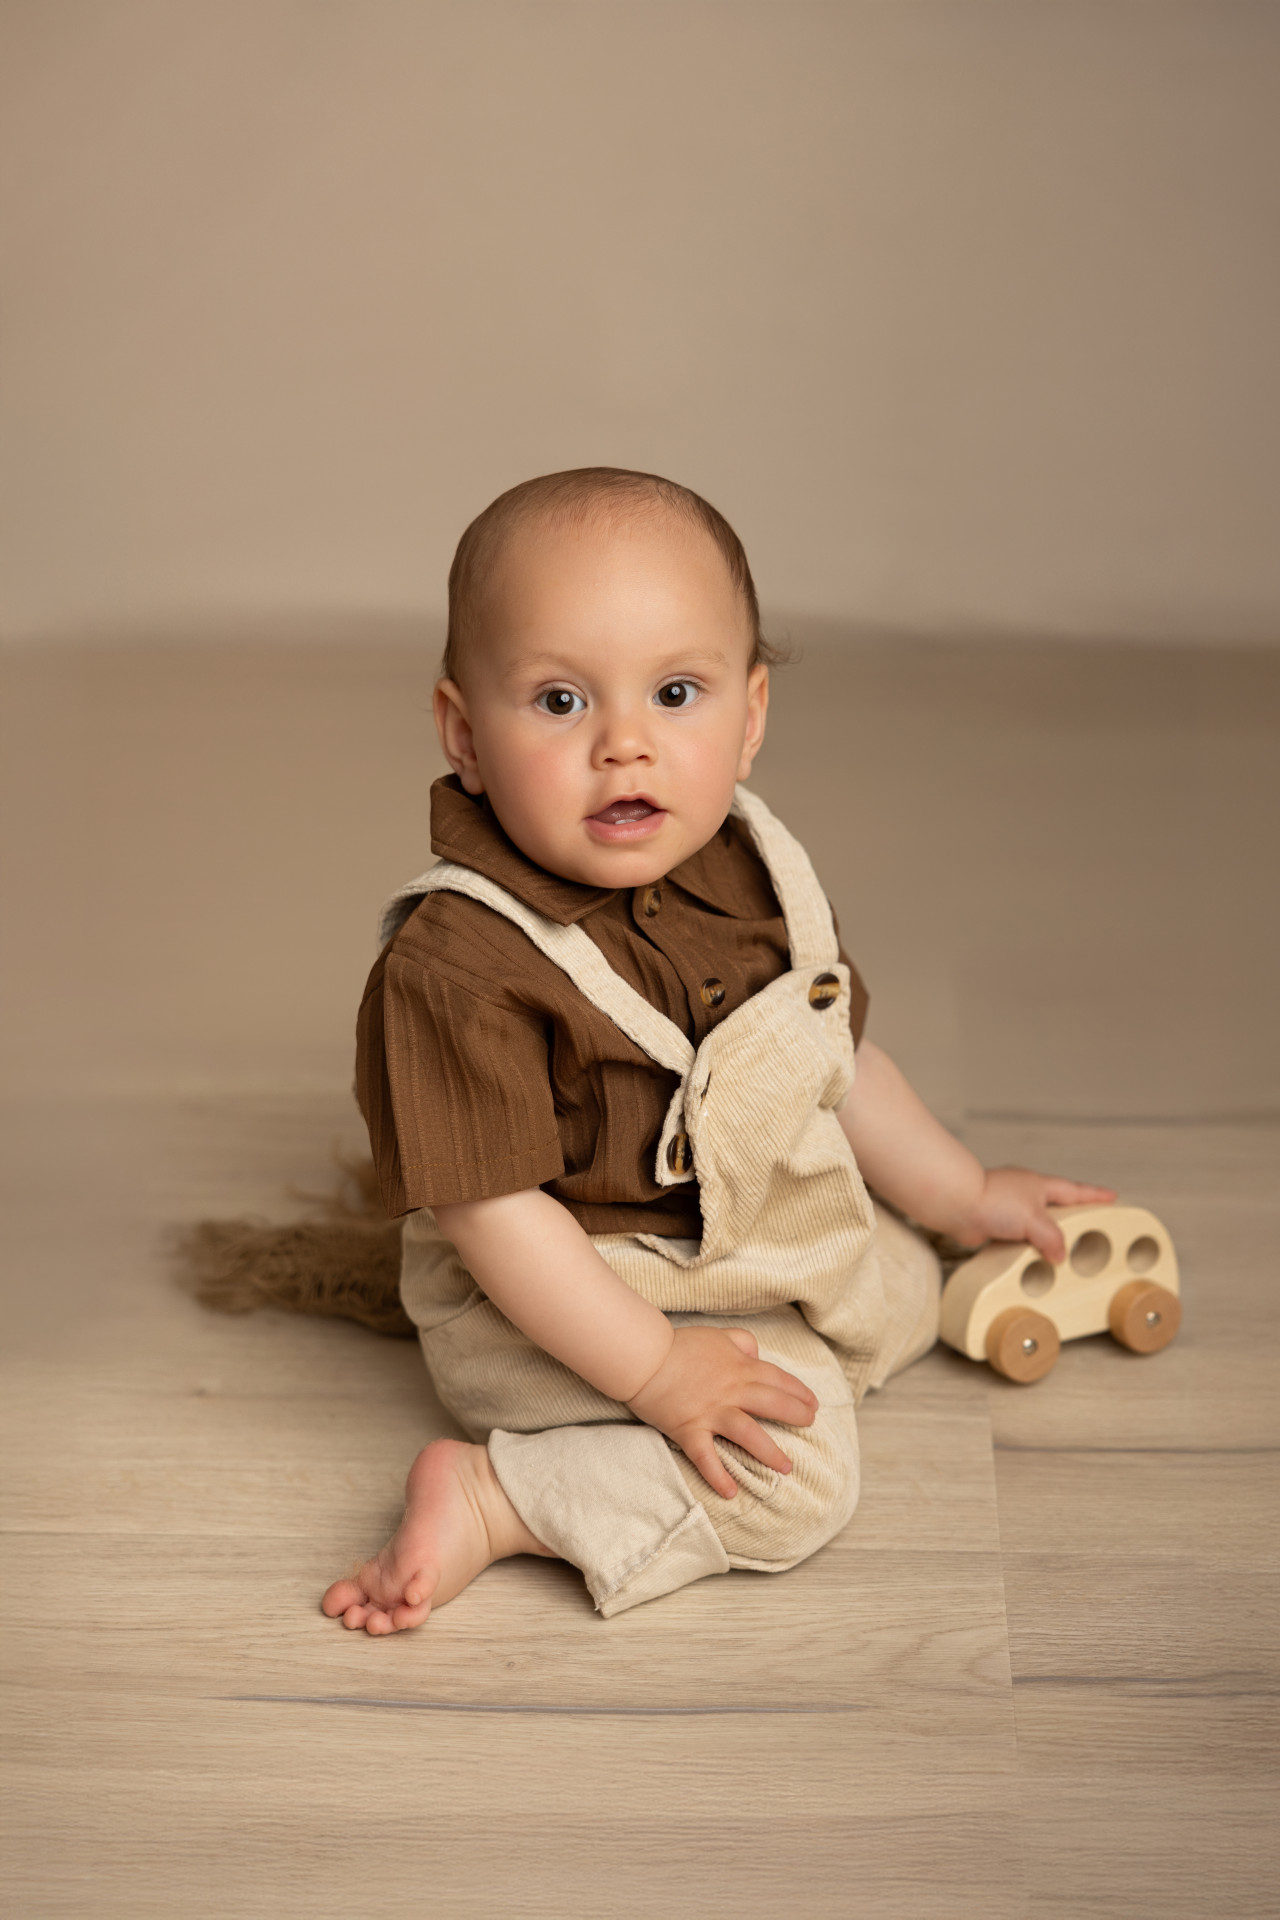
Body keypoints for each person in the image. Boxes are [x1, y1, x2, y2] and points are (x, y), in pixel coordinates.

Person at [321, 468, 1113, 1634]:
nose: (624, 745)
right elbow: (493, 1217)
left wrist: (961, 1191)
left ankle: (796, 1342)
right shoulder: (455, 965)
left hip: (739, 1239)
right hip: (571, 1290)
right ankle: (498, 1495)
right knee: (795, 1488)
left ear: (747, 721)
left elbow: (828, 1063)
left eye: (674, 692)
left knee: (898, 1280)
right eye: (556, 703)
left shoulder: (756, 877)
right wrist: (653, 1370)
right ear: (463, 733)